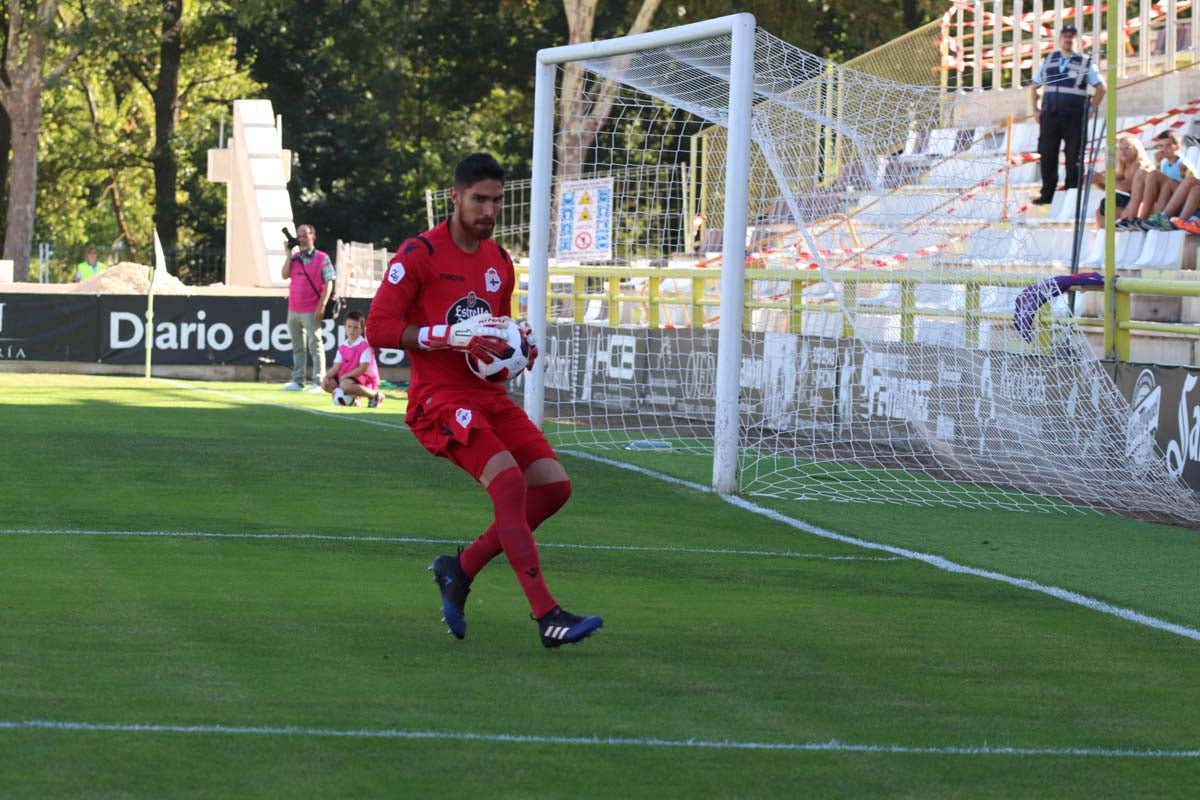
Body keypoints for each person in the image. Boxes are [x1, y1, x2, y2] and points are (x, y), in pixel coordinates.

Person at [366, 152, 603, 649]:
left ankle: (461, 568)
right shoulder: (418, 255)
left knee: (554, 488)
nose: (489, 210)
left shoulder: (498, 262)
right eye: (479, 200)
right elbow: (379, 328)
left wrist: (519, 347)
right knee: (511, 483)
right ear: (454, 197)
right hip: (439, 399)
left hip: (487, 395)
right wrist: (449, 336)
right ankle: (548, 616)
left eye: (497, 201)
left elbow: (492, 332)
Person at [1030, 24, 1105, 205]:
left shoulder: (1085, 62)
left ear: (1076, 39)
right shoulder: (1049, 59)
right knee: (1047, 155)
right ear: (1060, 38)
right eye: (1065, 35)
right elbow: (1034, 86)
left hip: (1074, 117)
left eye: (1071, 36)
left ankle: (1072, 195)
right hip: (1050, 116)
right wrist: (1035, 109)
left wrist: (1091, 109)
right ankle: (1047, 195)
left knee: (1074, 157)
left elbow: (1101, 88)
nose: (1068, 39)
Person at [281, 224, 335, 391]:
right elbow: (284, 275)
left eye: (304, 235)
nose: (301, 238)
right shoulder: (295, 257)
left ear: (313, 237)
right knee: (298, 347)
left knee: (315, 345)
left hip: (312, 308)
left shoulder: (322, 258)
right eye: (299, 235)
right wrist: (288, 254)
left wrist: (322, 306)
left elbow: (329, 283)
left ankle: (318, 381)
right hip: (294, 308)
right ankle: (297, 380)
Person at [1117, 130, 1197, 230]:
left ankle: (1143, 218)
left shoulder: (1183, 163)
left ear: (1177, 147)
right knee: (1143, 173)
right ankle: (1132, 219)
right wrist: (1158, 163)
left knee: (1155, 175)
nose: (1163, 149)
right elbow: (1157, 182)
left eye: (1168, 146)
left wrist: (1183, 174)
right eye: (1161, 146)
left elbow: (1192, 185)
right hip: (1167, 198)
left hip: (1182, 200)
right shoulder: (1164, 163)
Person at [320, 310, 384, 408]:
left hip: (364, 378)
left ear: (362, 330)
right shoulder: (343, 347)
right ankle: (353, 399)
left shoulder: (365, 347)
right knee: (325, 384)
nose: (352, 330)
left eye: (356, 327)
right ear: (345, 328)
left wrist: (345, 376)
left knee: (345, 385)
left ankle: (375, 395)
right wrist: (326, 377)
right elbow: (336, 367)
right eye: (349, 327)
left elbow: (362, 369)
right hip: (347, 378)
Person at [1091, 133, 1154, 226]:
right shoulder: (1124, 167)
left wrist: (1102, 179)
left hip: (1144, 203)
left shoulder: (1139, 165)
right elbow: (1105, 186)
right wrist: (1096, 179)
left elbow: (1127, 188)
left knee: (1109, 205)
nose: (1123, 151)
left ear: (1136, 150)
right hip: (1134, 201)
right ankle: (1104, 235)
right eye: (1120, 149)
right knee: (1099, 211)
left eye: (1128, 148)